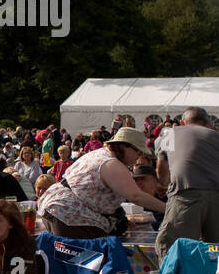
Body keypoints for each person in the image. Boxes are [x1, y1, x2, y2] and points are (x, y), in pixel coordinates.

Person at [37, 127, 164, 238]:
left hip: (59, 210)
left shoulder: (100, 155)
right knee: (86, 262)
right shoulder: (112, 164)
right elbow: (136, 196)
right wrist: (168, 209)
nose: (139, 156)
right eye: (138, 151)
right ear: (124, 146)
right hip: (69, 215)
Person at [155, 106, 219, 259]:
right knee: (215, 252)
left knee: (171, 247)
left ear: (183, 122)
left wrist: (164, 184)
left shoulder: (170, 133)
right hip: (216, 196)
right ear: (208, 124)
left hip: (185, 194)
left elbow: (161, 168)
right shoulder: (216, 135)